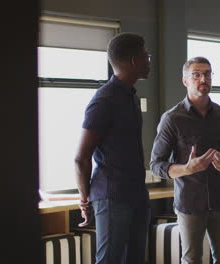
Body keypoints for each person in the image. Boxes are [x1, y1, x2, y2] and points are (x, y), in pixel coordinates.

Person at [150, 56, 220, 264]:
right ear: (185, 80)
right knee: (192, 259)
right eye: (196, 75)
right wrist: (187, 169)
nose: (203, 79)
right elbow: (156, 165)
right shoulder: (172, 119)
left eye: (207, 74)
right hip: (189, 202)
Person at [74, 32, 152, 264]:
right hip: (111, 196)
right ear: (133, 61)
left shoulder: (131, 96)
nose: (148, 61)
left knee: (135, 259)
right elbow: (81, 158)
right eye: (145, 56)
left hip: (137, 193)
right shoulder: (104, 100)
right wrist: (84, 198)